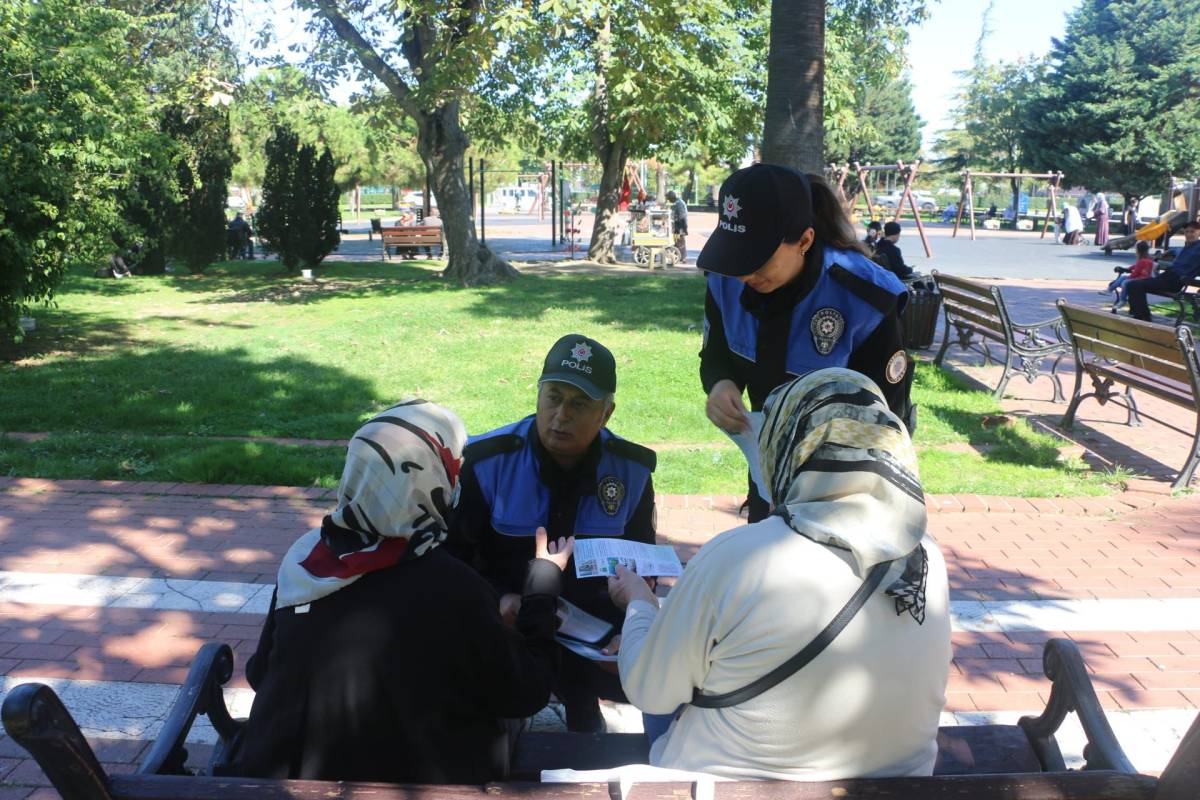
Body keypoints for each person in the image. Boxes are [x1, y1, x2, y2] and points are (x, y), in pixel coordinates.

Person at [606, 368, 951, 779]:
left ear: (789, 448)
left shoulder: (741, 557)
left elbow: (650, 690)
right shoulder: (926, 558)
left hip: (729, 784)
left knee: (670, 692)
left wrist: (640, 606)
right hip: (899, 784)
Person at [230, 401, 573, 783]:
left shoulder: (306, 561)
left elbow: (262, 673)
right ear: (435, 480)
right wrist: (543, 584)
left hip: (278, 780)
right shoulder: (453, 586)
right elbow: (526, 691)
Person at [447, 334, 658, 733]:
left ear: (606, 413)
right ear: (538, 395)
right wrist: (498, 601)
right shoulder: (487, 462)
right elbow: (454, 559)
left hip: (593, 631)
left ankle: (585, 713)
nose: (561, 415)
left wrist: (634, 616)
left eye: (580, 404)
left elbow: (641, 560)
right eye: (553, 397)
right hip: (505, 618)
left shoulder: (631, 471)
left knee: (663, 683)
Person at [698, 163, 914, 523]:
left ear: (805, 241)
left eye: (758, 259)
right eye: (737, 257)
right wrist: (721, 384)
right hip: (767, 468)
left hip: (849, 484)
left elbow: (887, 420)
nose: (745, 273)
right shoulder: (727, 280)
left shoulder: (866, 299)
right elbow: (717, 354)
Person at [1125, 219, 1200, 322]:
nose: (1189, 234)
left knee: (1134, 285)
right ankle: (1140, 316)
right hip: (1167, 276)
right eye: (1186, 232)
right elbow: (1176, 250)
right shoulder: (1186, 247)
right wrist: (1168, 252)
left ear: (1198, 232)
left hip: (1176, 280)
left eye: (1192, 231)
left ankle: (1142, 318)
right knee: (1132, 284)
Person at [1101, 240, 1154, 312]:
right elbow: (1136, 267)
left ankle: (1122, 300)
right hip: (1144, 278)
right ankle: (1110, 290)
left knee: (1125, 282)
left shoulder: (1142, 261)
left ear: (1138, 251)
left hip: (1142, 279)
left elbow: (1135, 273)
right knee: (1123, 278)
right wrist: (1129, 268)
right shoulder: (1148, 259)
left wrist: (1129, 277)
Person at [666, 190, 688, 264]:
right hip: (678, 225)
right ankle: (679, 256)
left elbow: (682, 216)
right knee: (676, 241)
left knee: (680, 241)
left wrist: (682, 228)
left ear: (672, 198)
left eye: (669, 199)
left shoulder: (679, 203)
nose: (669, 200)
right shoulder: (677, 203)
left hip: (680, 225)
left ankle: (683, 257)